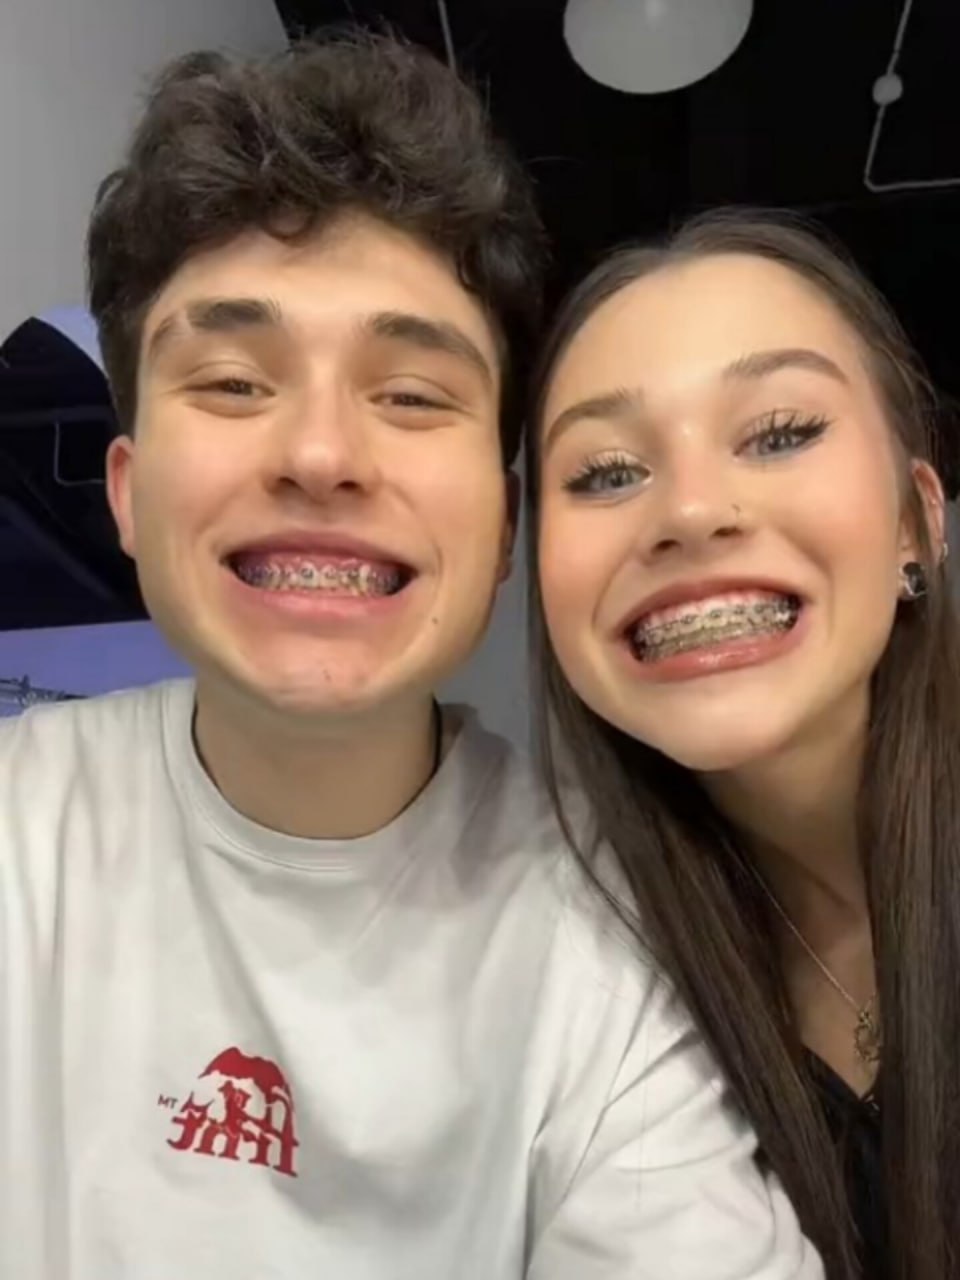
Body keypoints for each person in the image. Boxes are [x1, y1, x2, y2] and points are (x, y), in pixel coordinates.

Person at [0, 34, 821, 1280]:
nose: (322, 453)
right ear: (126, 489)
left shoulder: (610, 944)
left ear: (504, 527)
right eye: (234, 382)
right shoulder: (23, 833)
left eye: (414, 396)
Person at [527, 207, 960, 1280]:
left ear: (917, 522)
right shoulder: (571, 961)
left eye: (779, 433)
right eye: (605, 472)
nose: (691, 510)